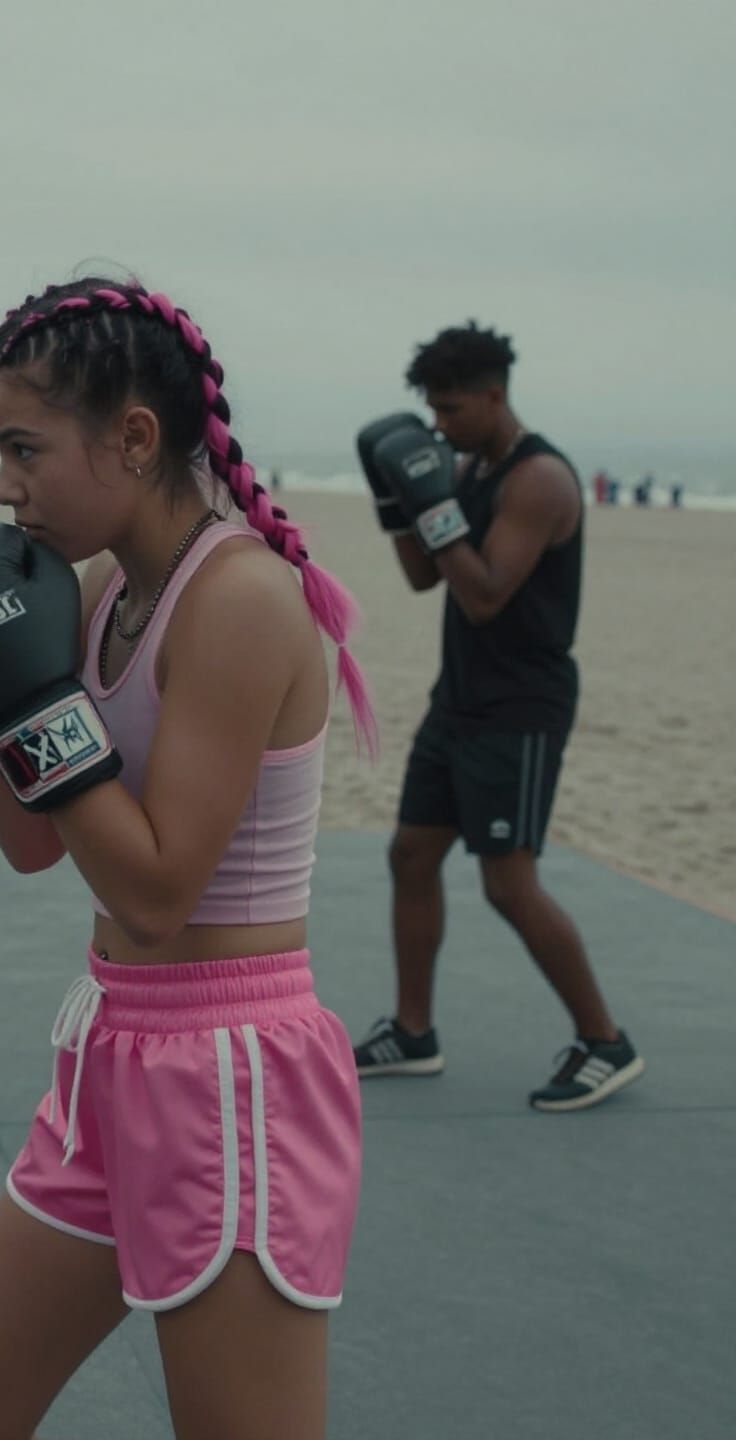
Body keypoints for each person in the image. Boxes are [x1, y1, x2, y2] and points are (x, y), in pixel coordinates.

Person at [0, 278, 374, 1439]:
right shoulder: (99, 592)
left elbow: (154, 890)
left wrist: (29, 699)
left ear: (134, 438)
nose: (4, 487)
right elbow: (35, 843)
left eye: (24, 448)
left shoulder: (240, 599)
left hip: (227, 1065)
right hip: (112, 1046)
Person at [353, 321, 643, 1111]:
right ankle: (414, 1032)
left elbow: (483, 594)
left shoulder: (539, 479)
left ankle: (605, 1040)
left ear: (493, 395)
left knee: (508, 884)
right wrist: (397, 500)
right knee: (412, 854)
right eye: (431, 410)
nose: (439, 424)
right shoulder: (466, 467)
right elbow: (425, 576)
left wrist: (434, 502)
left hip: (520, 705)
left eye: (450, 408)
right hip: (460, 695)